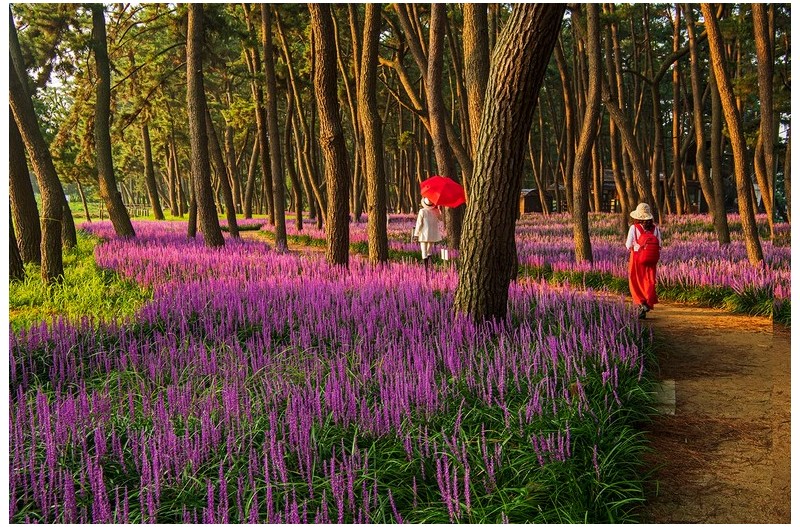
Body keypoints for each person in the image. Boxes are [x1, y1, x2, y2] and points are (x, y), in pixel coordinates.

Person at [626, 202, 662, 319]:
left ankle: (641, 303)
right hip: (651, 260)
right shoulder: (655, 229)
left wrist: (636, 247)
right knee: (649, 281)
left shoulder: (634, 228)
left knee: (635, 282)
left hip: (637, 258)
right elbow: (660, 245)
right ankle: (647, 302)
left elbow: (628, 245)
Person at [412, 197, 443, 268]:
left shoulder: (422, 211)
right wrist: (439, 209)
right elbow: (440, 219)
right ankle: (430, 265)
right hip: (432, 234)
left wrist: (416, 234)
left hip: (423, 234)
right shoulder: (436, 211)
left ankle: (426, 267)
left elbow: (419, 224)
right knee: (429, 250)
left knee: (424, 251)